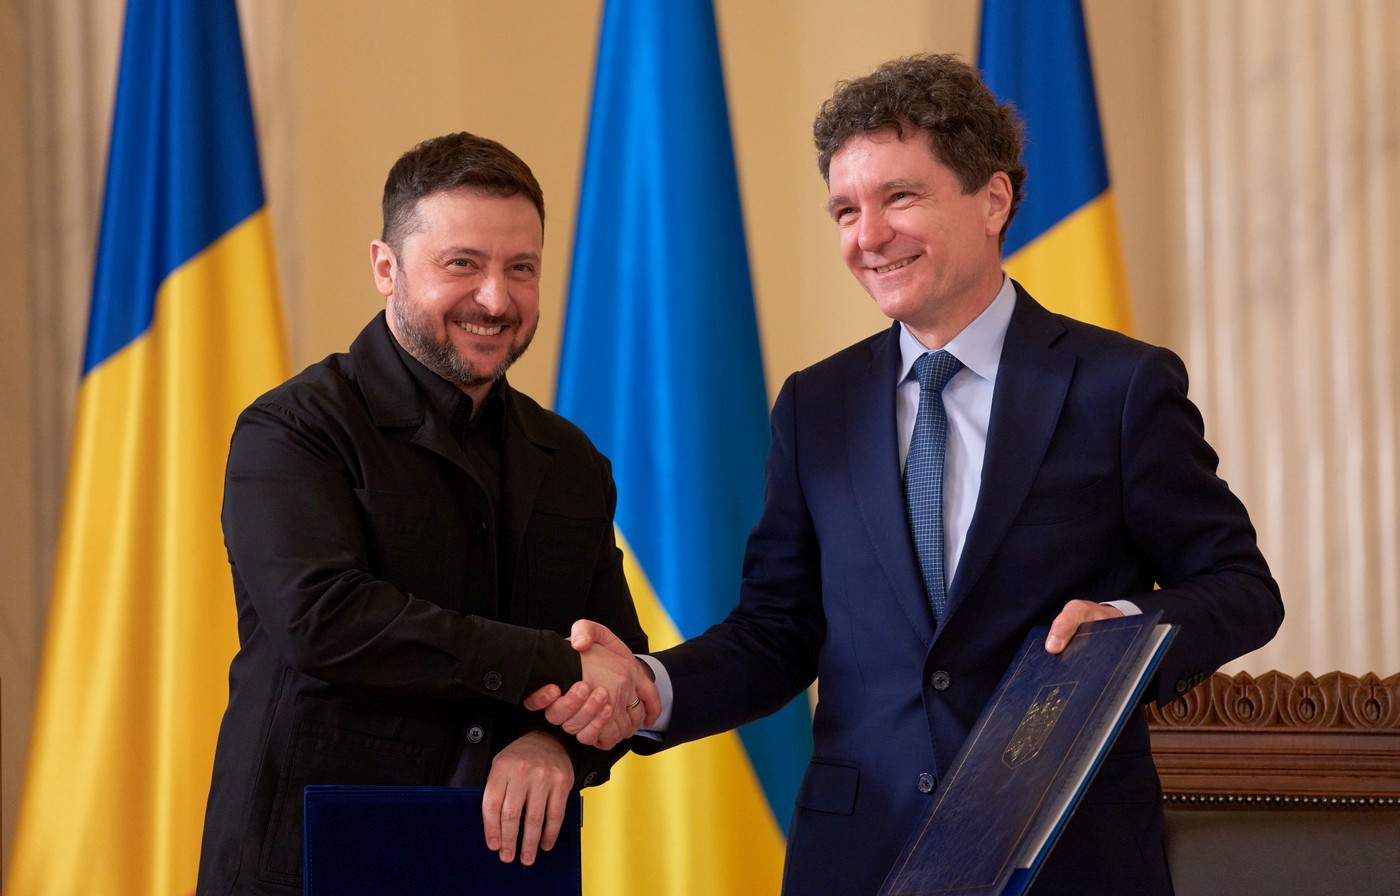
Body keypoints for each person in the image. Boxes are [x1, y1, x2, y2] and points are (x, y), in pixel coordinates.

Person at [529, 55, 1283, 895]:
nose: (868, 236)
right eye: (846, 210)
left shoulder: (1118, 386)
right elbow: (777, 632)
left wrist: (1127, 627)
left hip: (1066, 858)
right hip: (860, 859)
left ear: (992, 200)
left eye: (899, 197)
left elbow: (1241, 586)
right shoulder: (816, 405)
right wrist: (652, 684)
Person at [196, 131, 659, 896]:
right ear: (386, 268)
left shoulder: (571, 461)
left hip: (504, 868)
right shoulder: (292, 430)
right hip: (310, 862)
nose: (496, 300)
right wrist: (550, 665)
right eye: (462, 264)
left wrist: (556, 747)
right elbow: (324, 620)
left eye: (521, 268)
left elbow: (617, 666)